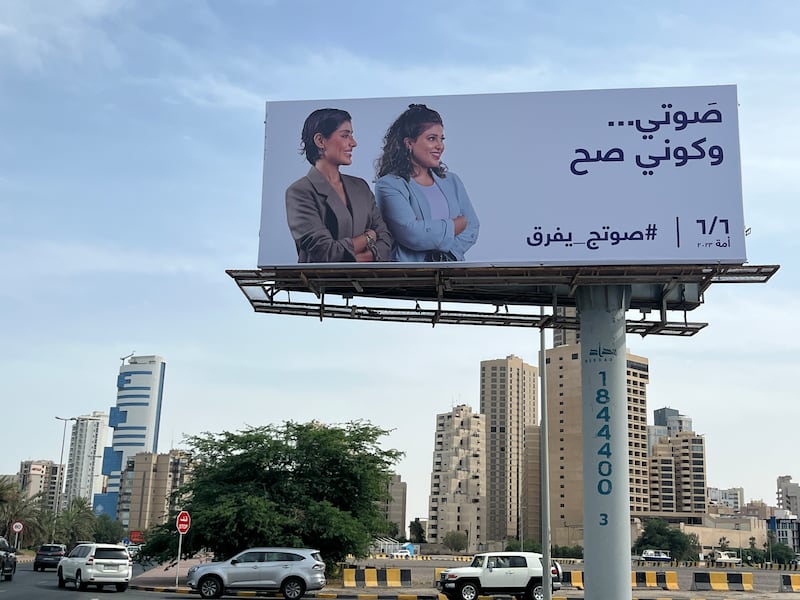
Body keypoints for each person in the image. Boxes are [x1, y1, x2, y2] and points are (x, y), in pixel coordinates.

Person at [375, 104, 479, 262]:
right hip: (409, 279)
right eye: (432, 138)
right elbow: (412, 234)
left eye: (441, 139)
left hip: (450, 274)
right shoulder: (389, 184)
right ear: (409, 143)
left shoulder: (452, 181)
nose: (440, 146)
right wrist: (454, 225)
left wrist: (443, 255)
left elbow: (471, 227)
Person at [286, 108, 392, 263]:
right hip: (324, 285)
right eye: (345, 135)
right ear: (320, 141)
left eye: (351, 135)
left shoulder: (360, 187)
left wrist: (354, 260)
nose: (353, 143)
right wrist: (368, 237)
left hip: (368, 284)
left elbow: (386, 243)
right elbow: (325, 252)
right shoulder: (300, 192)